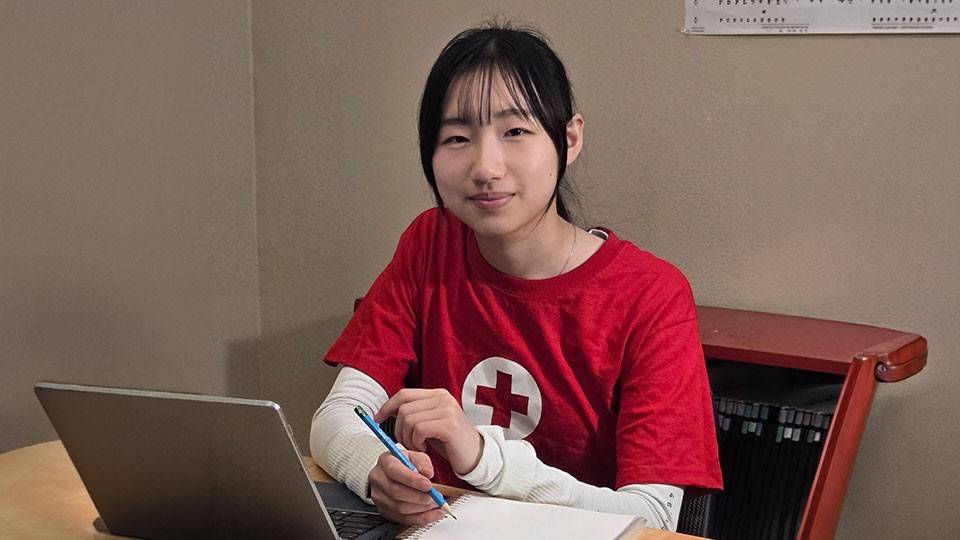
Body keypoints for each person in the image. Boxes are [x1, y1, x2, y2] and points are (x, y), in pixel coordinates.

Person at [310, 23, 722, 532]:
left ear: (568, 140)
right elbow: (339, 414)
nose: (486, 166)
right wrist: (376, 473)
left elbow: (654, 514)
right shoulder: (430, 242)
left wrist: (484, 457)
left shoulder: (650, 294)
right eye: (457, 137)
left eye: (516, 132)